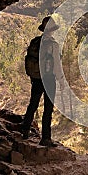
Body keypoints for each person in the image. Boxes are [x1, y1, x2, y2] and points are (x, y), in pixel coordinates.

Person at [20, 16, 64, 147]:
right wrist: (61, 80)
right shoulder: (53, 44)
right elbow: (56, 65)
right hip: (49, 79)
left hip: (36, 78)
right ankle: (46, 138)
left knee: (33, 104)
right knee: (48, 109)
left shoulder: (36, 41)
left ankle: (24, 130)